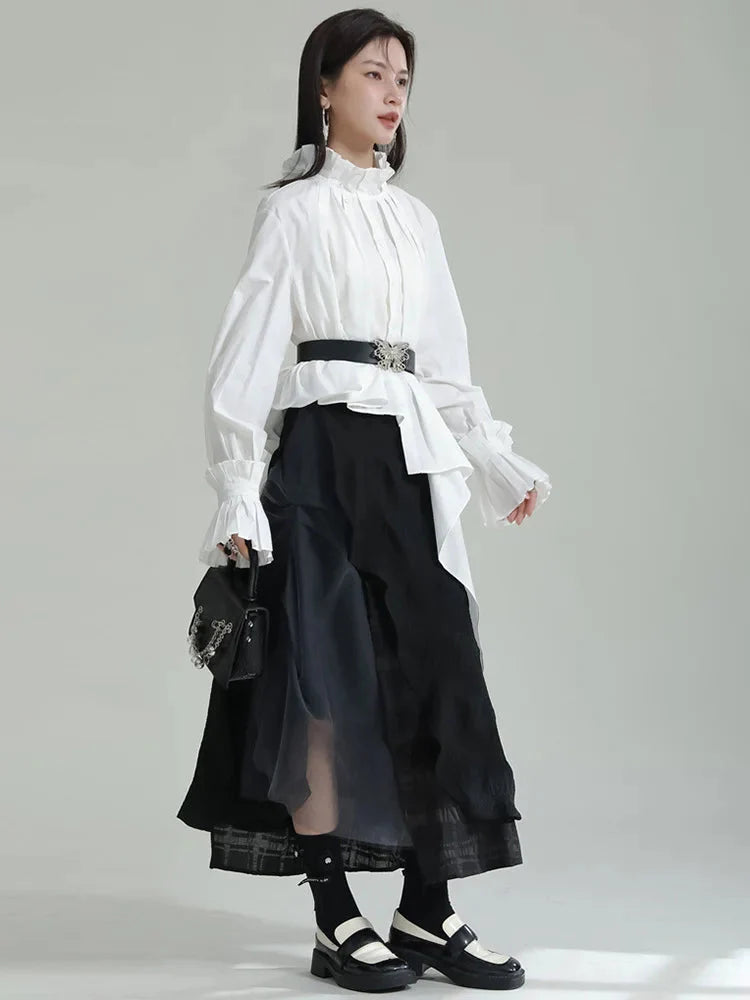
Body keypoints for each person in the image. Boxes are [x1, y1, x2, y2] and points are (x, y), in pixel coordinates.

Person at [178, 8, 551, 993]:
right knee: (323, 685)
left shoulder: (415, 220)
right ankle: (335, 913)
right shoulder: (293, 211)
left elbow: (444, 359)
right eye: (375, 74)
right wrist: (237, 488)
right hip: (318, 457)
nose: (392, 94)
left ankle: (428, 908)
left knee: (439, 669)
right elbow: (245, 356)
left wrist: (494, 460)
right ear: (325, 86)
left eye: (403, 80)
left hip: (406, 456)